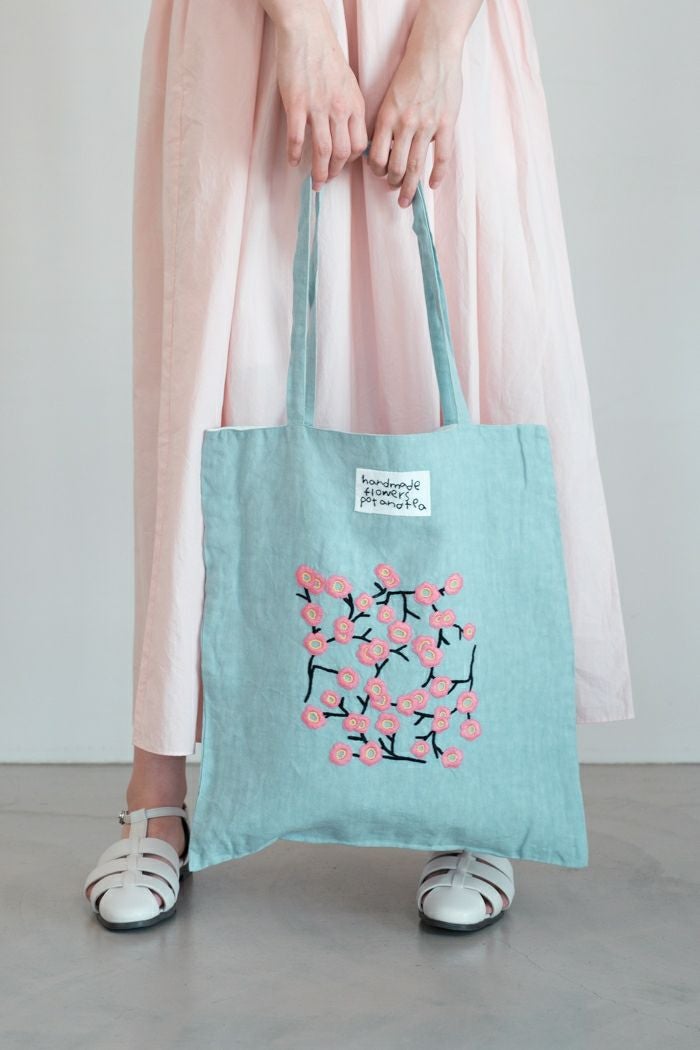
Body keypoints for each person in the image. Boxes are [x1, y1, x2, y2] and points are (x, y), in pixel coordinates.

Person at [83, 0, 634, 932]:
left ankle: (475, 796)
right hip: (248, 30)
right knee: (213, 394)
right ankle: (158, 791)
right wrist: (300, 29)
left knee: (464, 356)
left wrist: (439, 42)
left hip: (437, 23)